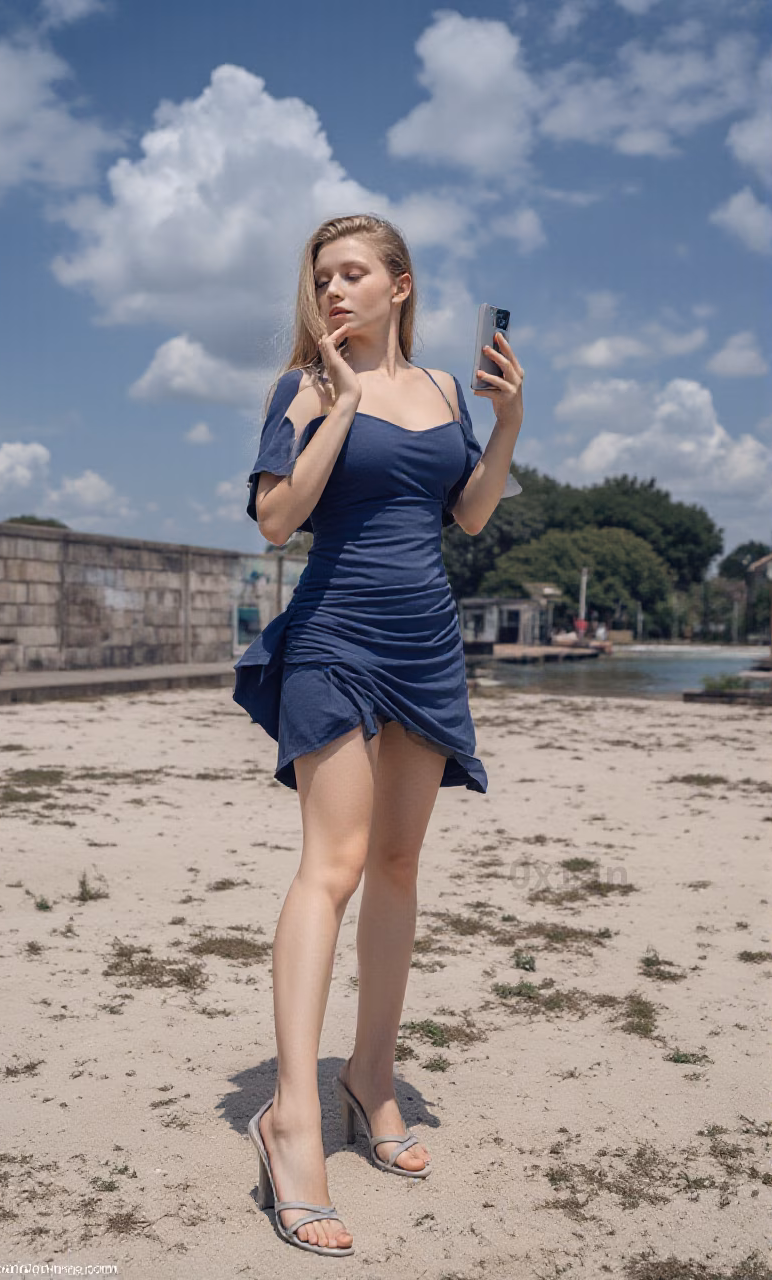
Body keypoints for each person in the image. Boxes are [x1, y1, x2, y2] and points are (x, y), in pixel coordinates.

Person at [235, 213, 524, 1255]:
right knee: (336, 862)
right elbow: (276, 518)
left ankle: (370, 1074)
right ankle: (294, 1117)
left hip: (425, 647)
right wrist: (342, 403)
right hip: (332, 638)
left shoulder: (448, 389)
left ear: (401, 285)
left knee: (398, 862)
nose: (334, 292)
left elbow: (473, 518)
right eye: (321, 278)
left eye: (353, 273)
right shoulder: (306, 386)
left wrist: (505, 425)